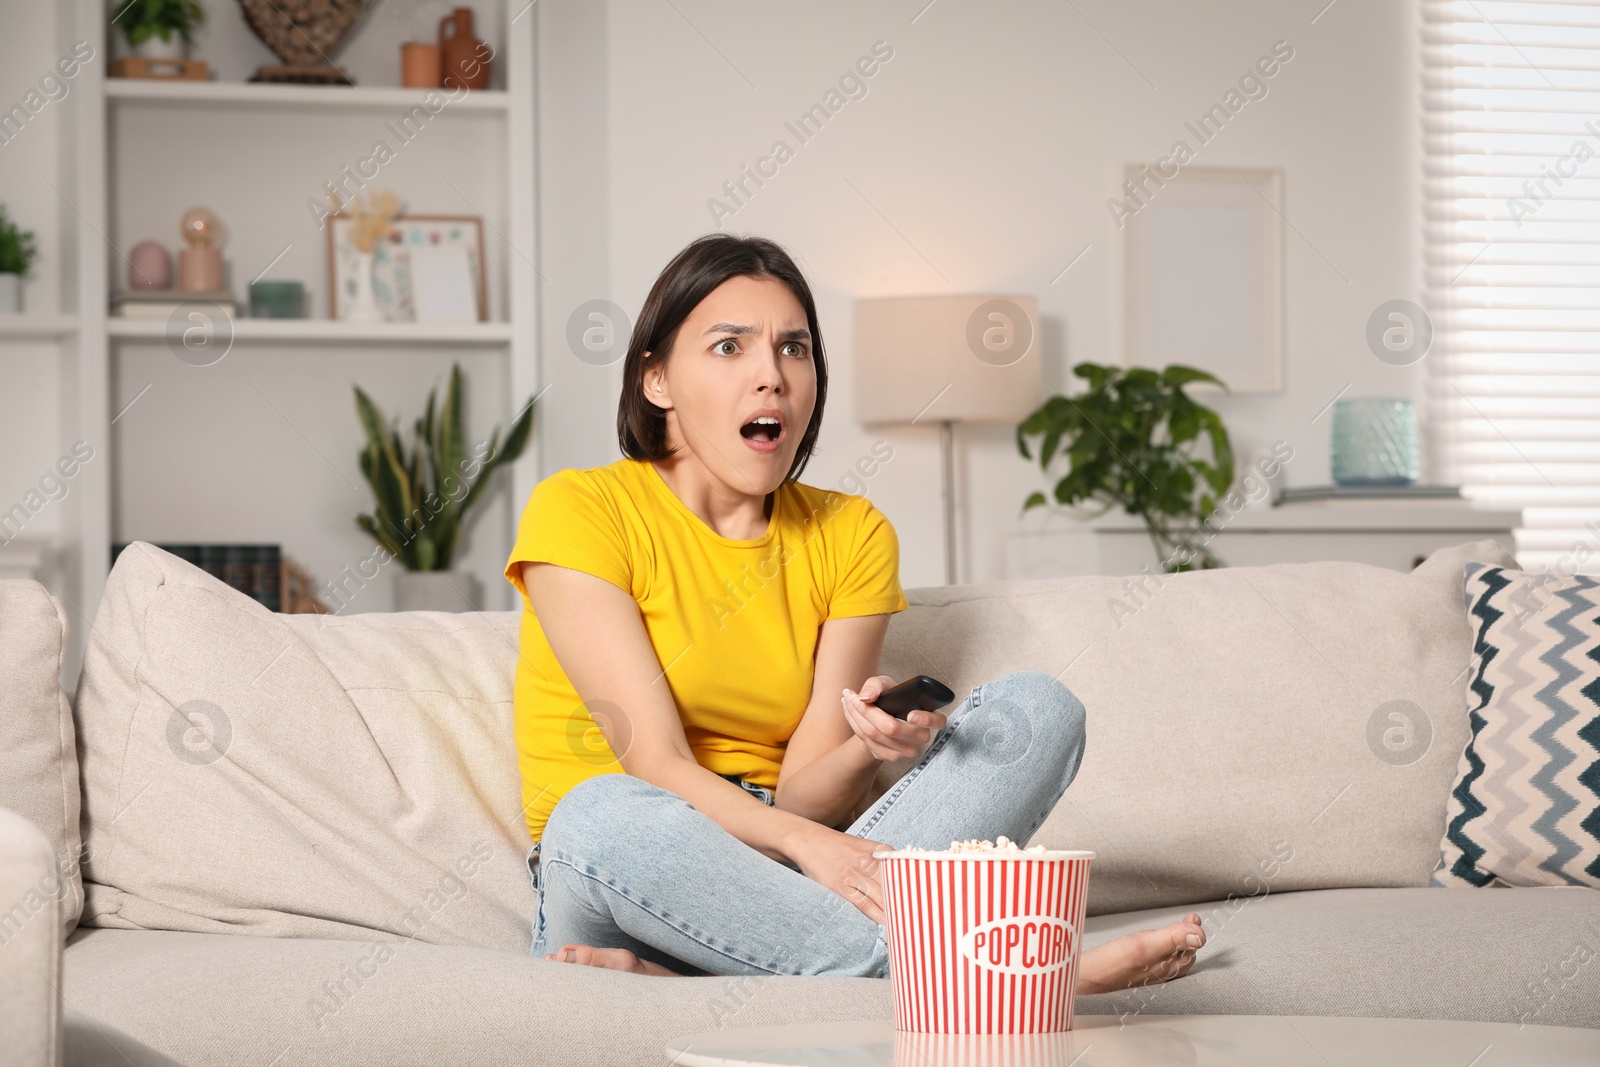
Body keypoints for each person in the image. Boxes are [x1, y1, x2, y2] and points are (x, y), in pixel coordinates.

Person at [504, 233, 1206, 988]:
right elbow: (656, 763)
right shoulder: (581, 510)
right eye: (729, 347)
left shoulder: (852, 533)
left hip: (787, 870)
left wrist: (869, 749)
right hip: (629, 867)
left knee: (1038, 710)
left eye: (794, 348)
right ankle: (1014, 981)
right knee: (604, 810)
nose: (770, 375)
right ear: (657, 381)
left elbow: (806, 789)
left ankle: (725, 974)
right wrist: (813, 846)